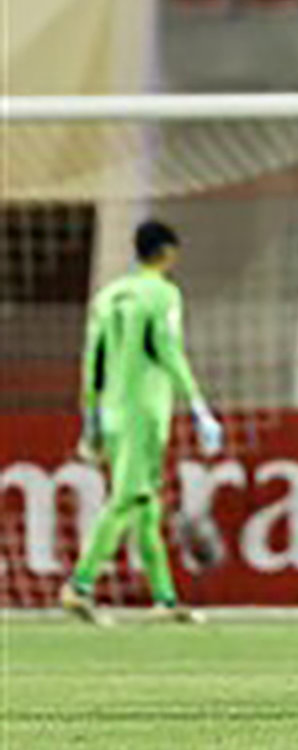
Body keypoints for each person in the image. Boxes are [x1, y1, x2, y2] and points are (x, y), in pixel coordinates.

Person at [62, 220, 223, 625]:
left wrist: (91, 415)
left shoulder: (108, 295)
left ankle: (165, 599)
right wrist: (199, 405)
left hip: (111, 412)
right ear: (168, 252)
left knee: (147, 505)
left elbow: (92, 360)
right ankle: (79, 585)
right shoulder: (164, 294)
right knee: (126, 499)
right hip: (144, 413)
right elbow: (170, 352)